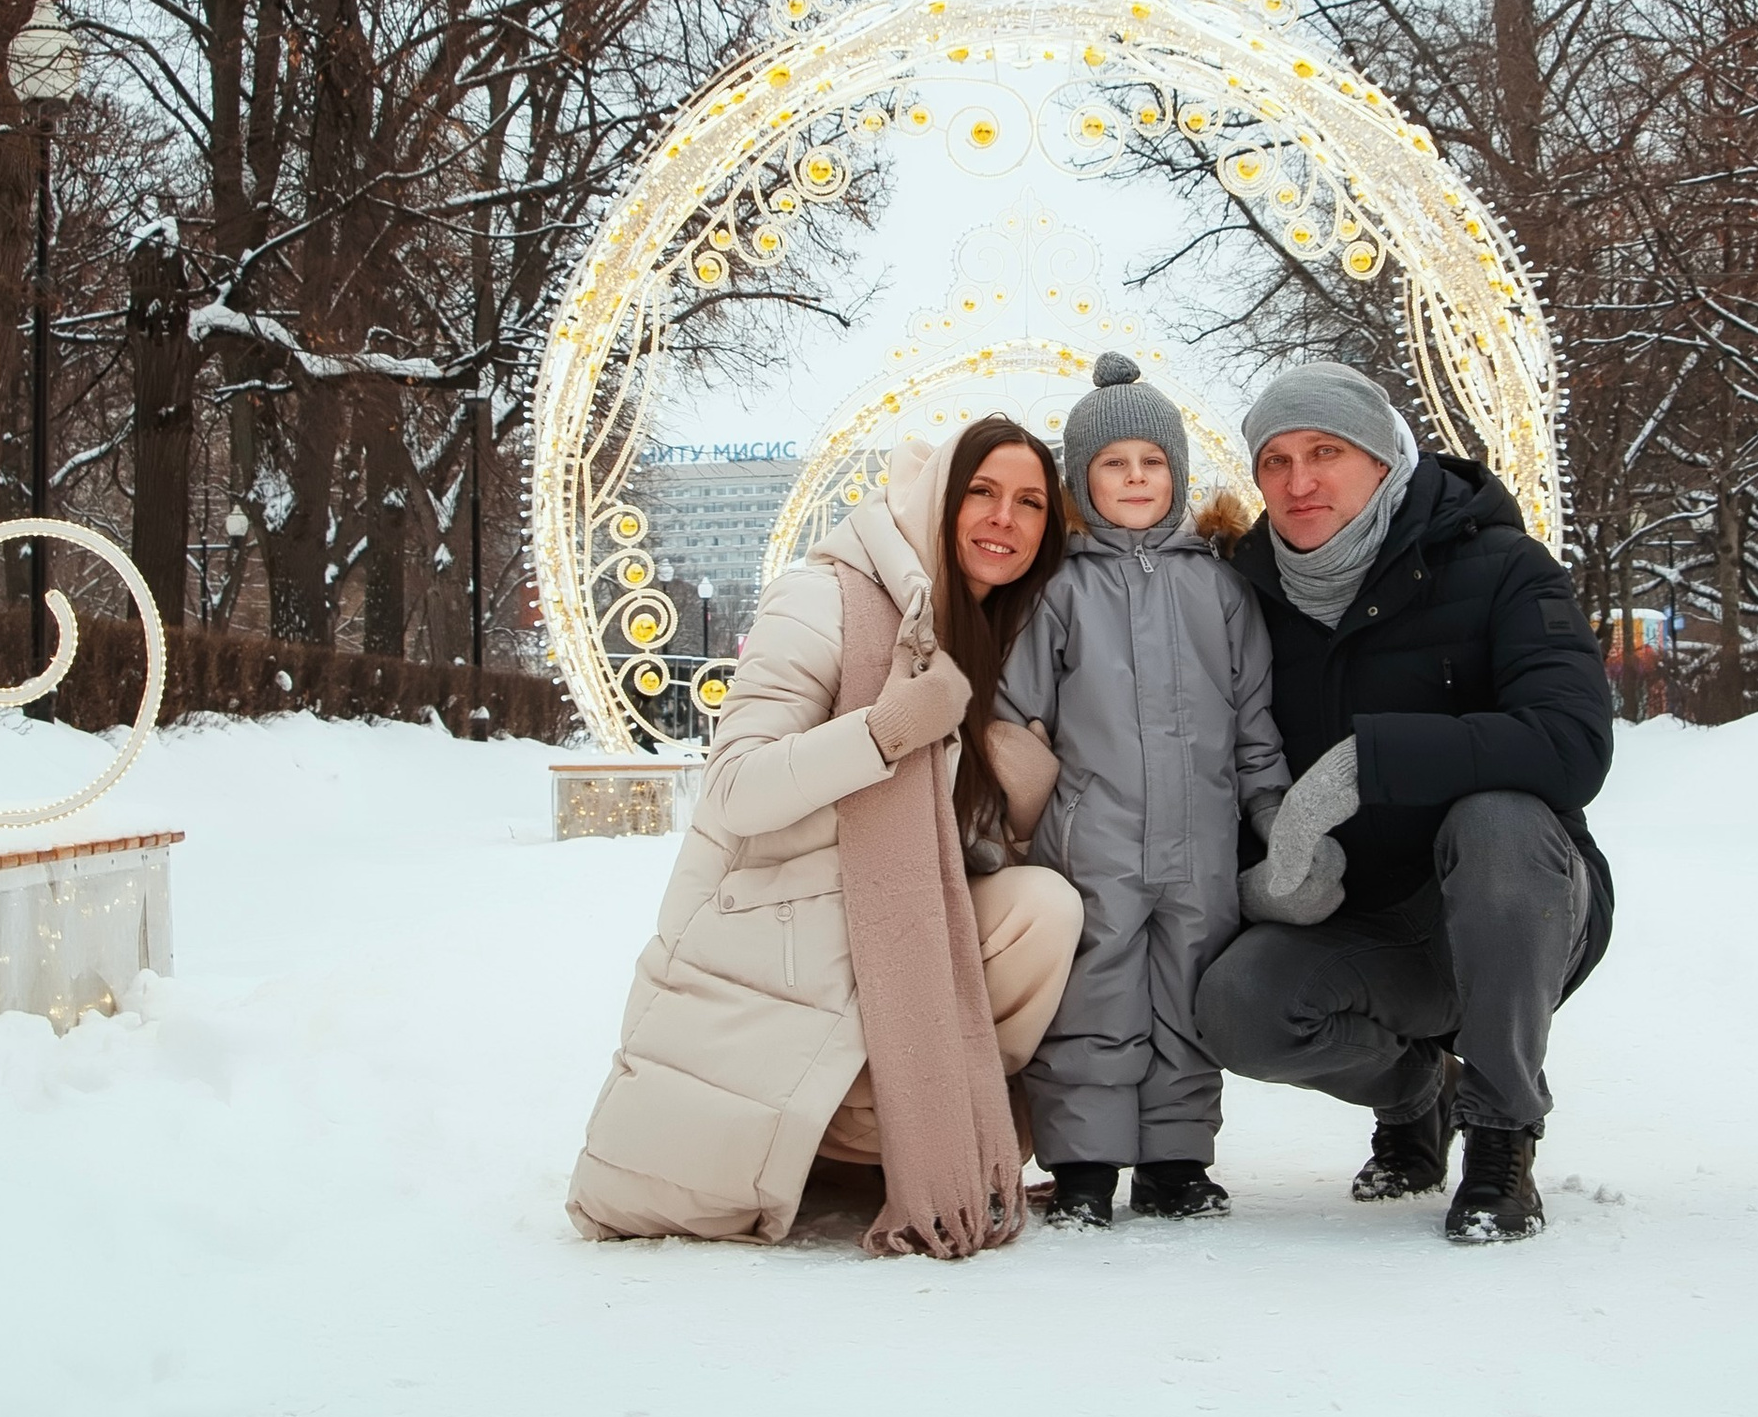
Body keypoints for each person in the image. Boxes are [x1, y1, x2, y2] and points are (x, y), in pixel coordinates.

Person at [567, 416, 1083, 1259]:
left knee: (1044, 909)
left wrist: (1010, 779)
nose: (1004, 518)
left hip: (888, 952)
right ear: (939, 499)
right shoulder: (825, 598)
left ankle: (907, 1122)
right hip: (780, 947)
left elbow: (950, 852)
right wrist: (883, 733)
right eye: (981, 492)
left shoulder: (989, 641)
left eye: (1030, 503)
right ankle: (863, 1128)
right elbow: (734, 789)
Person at [1194, 363, 1615, 1245]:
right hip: (1366, 925)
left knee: (1496, 816)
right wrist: (1269, 862)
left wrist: (1370, 761)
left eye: (1325, 452)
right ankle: (1419, 1092)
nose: (1298, 481)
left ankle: (1501, 1136)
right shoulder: (1243, 598)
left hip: (1518, 904)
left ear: (1384, 460)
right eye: (1274, 461)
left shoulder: (1503, 568)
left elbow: (1572, 745)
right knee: (1239, 1004)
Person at [1000, 355, 1290, 1230]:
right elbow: (1016, 720)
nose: (1135, 478)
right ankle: (1085, 1164)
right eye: (1113, 464)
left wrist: (1272, 819)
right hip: (1095, 840)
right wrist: (1003, 827)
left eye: (1151, 462)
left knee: (1187, 998)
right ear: (1082, 483)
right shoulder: (1059, 590)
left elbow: (1253, 724)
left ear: (1178, 473)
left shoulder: (1221, 588)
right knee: (1095, 996)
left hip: (1199, 843)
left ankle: (1175, 1161)